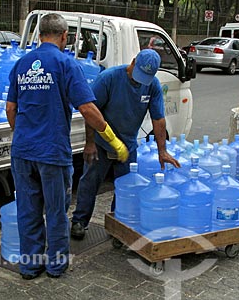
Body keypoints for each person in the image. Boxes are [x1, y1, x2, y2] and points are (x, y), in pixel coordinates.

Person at [6, 13, 129, 280]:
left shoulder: (21, 64)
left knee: (27, 211)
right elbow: (87, 108)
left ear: (39, 35)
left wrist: (24, 135)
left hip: (23, 152)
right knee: (56, 211)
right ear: (64, 37)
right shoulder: (66, 64)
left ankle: (29, 267)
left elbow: (11, 108)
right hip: (52, 152)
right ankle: (55, 266)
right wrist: (112, 138)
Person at [71, 49, 180, 240]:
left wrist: (162, 151)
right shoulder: (109, 78)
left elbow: (158, 119)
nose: (140, 81)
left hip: (128, 145)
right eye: (139, 75)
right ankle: (79, 221)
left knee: (126, 187)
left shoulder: (152, 85)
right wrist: (89, 143)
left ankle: (118, 224)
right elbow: (90, 111)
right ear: (133, 62)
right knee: (89, 182)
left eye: (145, 78)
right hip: (101, 143)